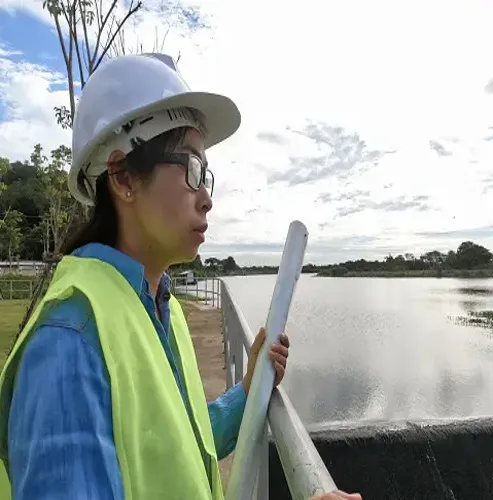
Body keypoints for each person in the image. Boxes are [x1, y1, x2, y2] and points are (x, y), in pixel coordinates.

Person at [0, 53, 361, 500]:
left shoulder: (153, 304)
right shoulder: (69, 341)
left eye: (206, 174)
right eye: (191, 168)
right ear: (123, 178)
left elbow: (180, 442)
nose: (207, 198)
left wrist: (248, 388)